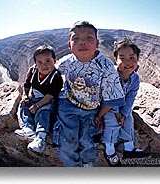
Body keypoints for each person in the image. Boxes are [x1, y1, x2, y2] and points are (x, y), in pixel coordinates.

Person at [53, 21, 125, 167]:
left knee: (88, 140)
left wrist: (100, 115)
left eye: (89, 38)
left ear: (97, 43)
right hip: (68, 106)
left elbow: (112, 97)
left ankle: (88, 163)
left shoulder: (105, 66)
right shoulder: (66, 62)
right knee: (67, 140)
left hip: (91, 109)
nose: (83, 42)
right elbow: (50, 70)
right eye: (76, 38)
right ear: (69, 45)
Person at [102, 37, 149, 167]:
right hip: (107, 105)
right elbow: (110, 96)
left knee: (128, 119)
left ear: (138, 60)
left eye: (132, 58)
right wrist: (117, 113)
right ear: (115, 60)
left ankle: (129, 149)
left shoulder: (135, 79)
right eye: (122, 58)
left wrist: (124, 113)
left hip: (121, 105)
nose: (127, 62)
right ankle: (110, 151)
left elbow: (130, 97)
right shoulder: (112, 76)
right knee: (112, 122)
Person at [15, 45, 63, 153]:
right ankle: (28, 129)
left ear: (54, 61)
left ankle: (41, 138)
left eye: (48, 61)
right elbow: (27, 85)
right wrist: (25, 96)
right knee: (23, 106)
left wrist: (37, 106)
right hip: (34, 98)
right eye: (39, 62)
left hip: (48, 101)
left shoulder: (56, 76)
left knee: (43, 112)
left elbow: (50, 95)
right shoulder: (33, 71)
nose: (44, 65)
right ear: (35, 63)